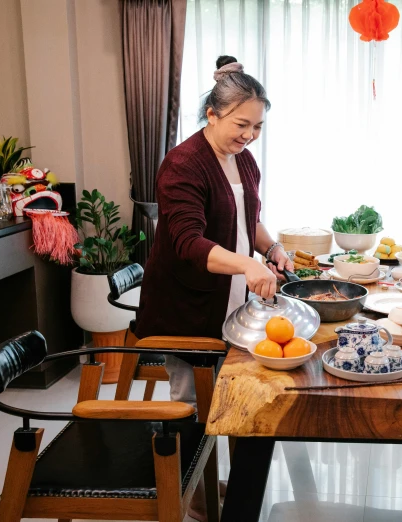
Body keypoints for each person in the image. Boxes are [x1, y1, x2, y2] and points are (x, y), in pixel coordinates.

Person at [135, 55, 293, 521]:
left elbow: (248, 220)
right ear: (212, 114)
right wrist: (245, 263)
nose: (249, 136)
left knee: (237, 399)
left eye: (258, 127)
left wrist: (272, 249)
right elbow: (186, 241)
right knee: (192, 407)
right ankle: (191, 506)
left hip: (231, 307)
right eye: (241, 124)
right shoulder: (182, 165)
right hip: (186, 309)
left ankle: (223, 487)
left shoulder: (241, 161)